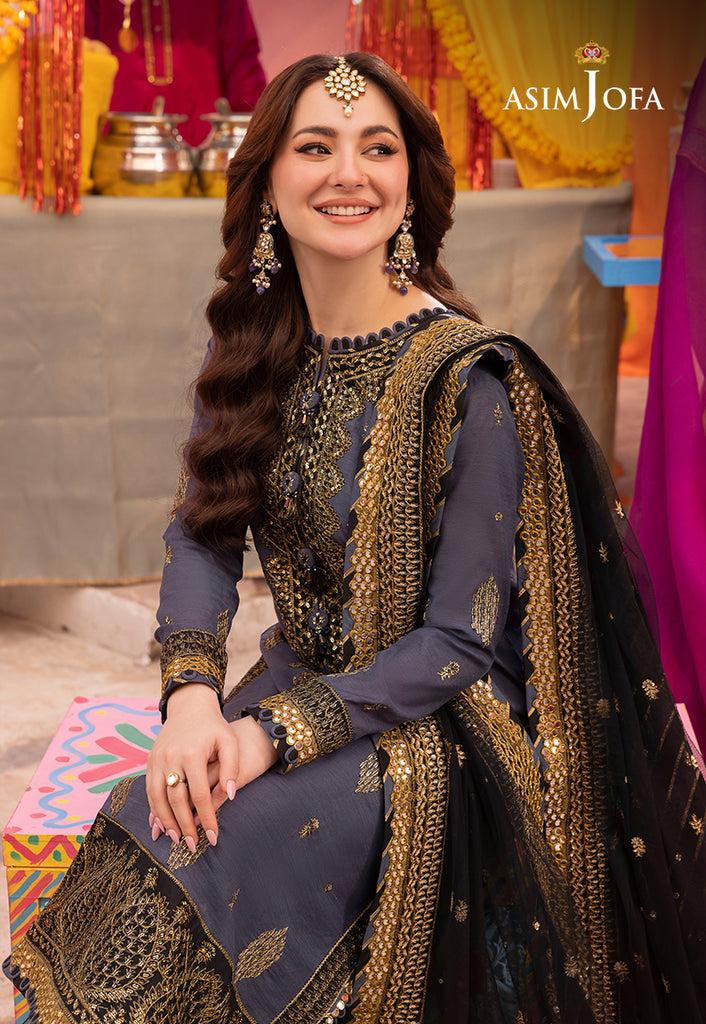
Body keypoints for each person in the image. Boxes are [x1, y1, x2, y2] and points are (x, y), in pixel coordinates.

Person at [5, 53, 706, 1024]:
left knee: (229, 843)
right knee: (147, 816)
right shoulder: (253, 348)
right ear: (268, 183)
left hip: (438, 725)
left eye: (378, 148)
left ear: (410, 184)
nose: (349, 173)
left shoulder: (471, 381)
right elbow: (203, 533)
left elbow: (456, 644)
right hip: (297, 682)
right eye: (316, 147)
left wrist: (267, 734)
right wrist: (192, 697)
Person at [84, 0, 266, 145]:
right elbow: (82, 66)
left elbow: (243, 71)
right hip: (113, 151)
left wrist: (253, 143)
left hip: (204, 153)